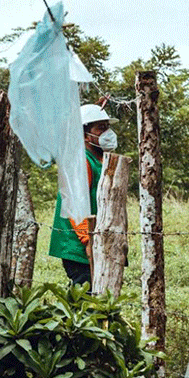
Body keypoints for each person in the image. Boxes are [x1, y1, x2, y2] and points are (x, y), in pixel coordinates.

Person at [48, 103, 117, 286]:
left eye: (107, 127)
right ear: (85, 135)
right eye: (100, 128)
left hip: (97, 239)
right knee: (85, 291)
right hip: (79, 244)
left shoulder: (101, 159)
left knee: (99, 290)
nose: (108, 133)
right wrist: (87, 240)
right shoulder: (79, 161)